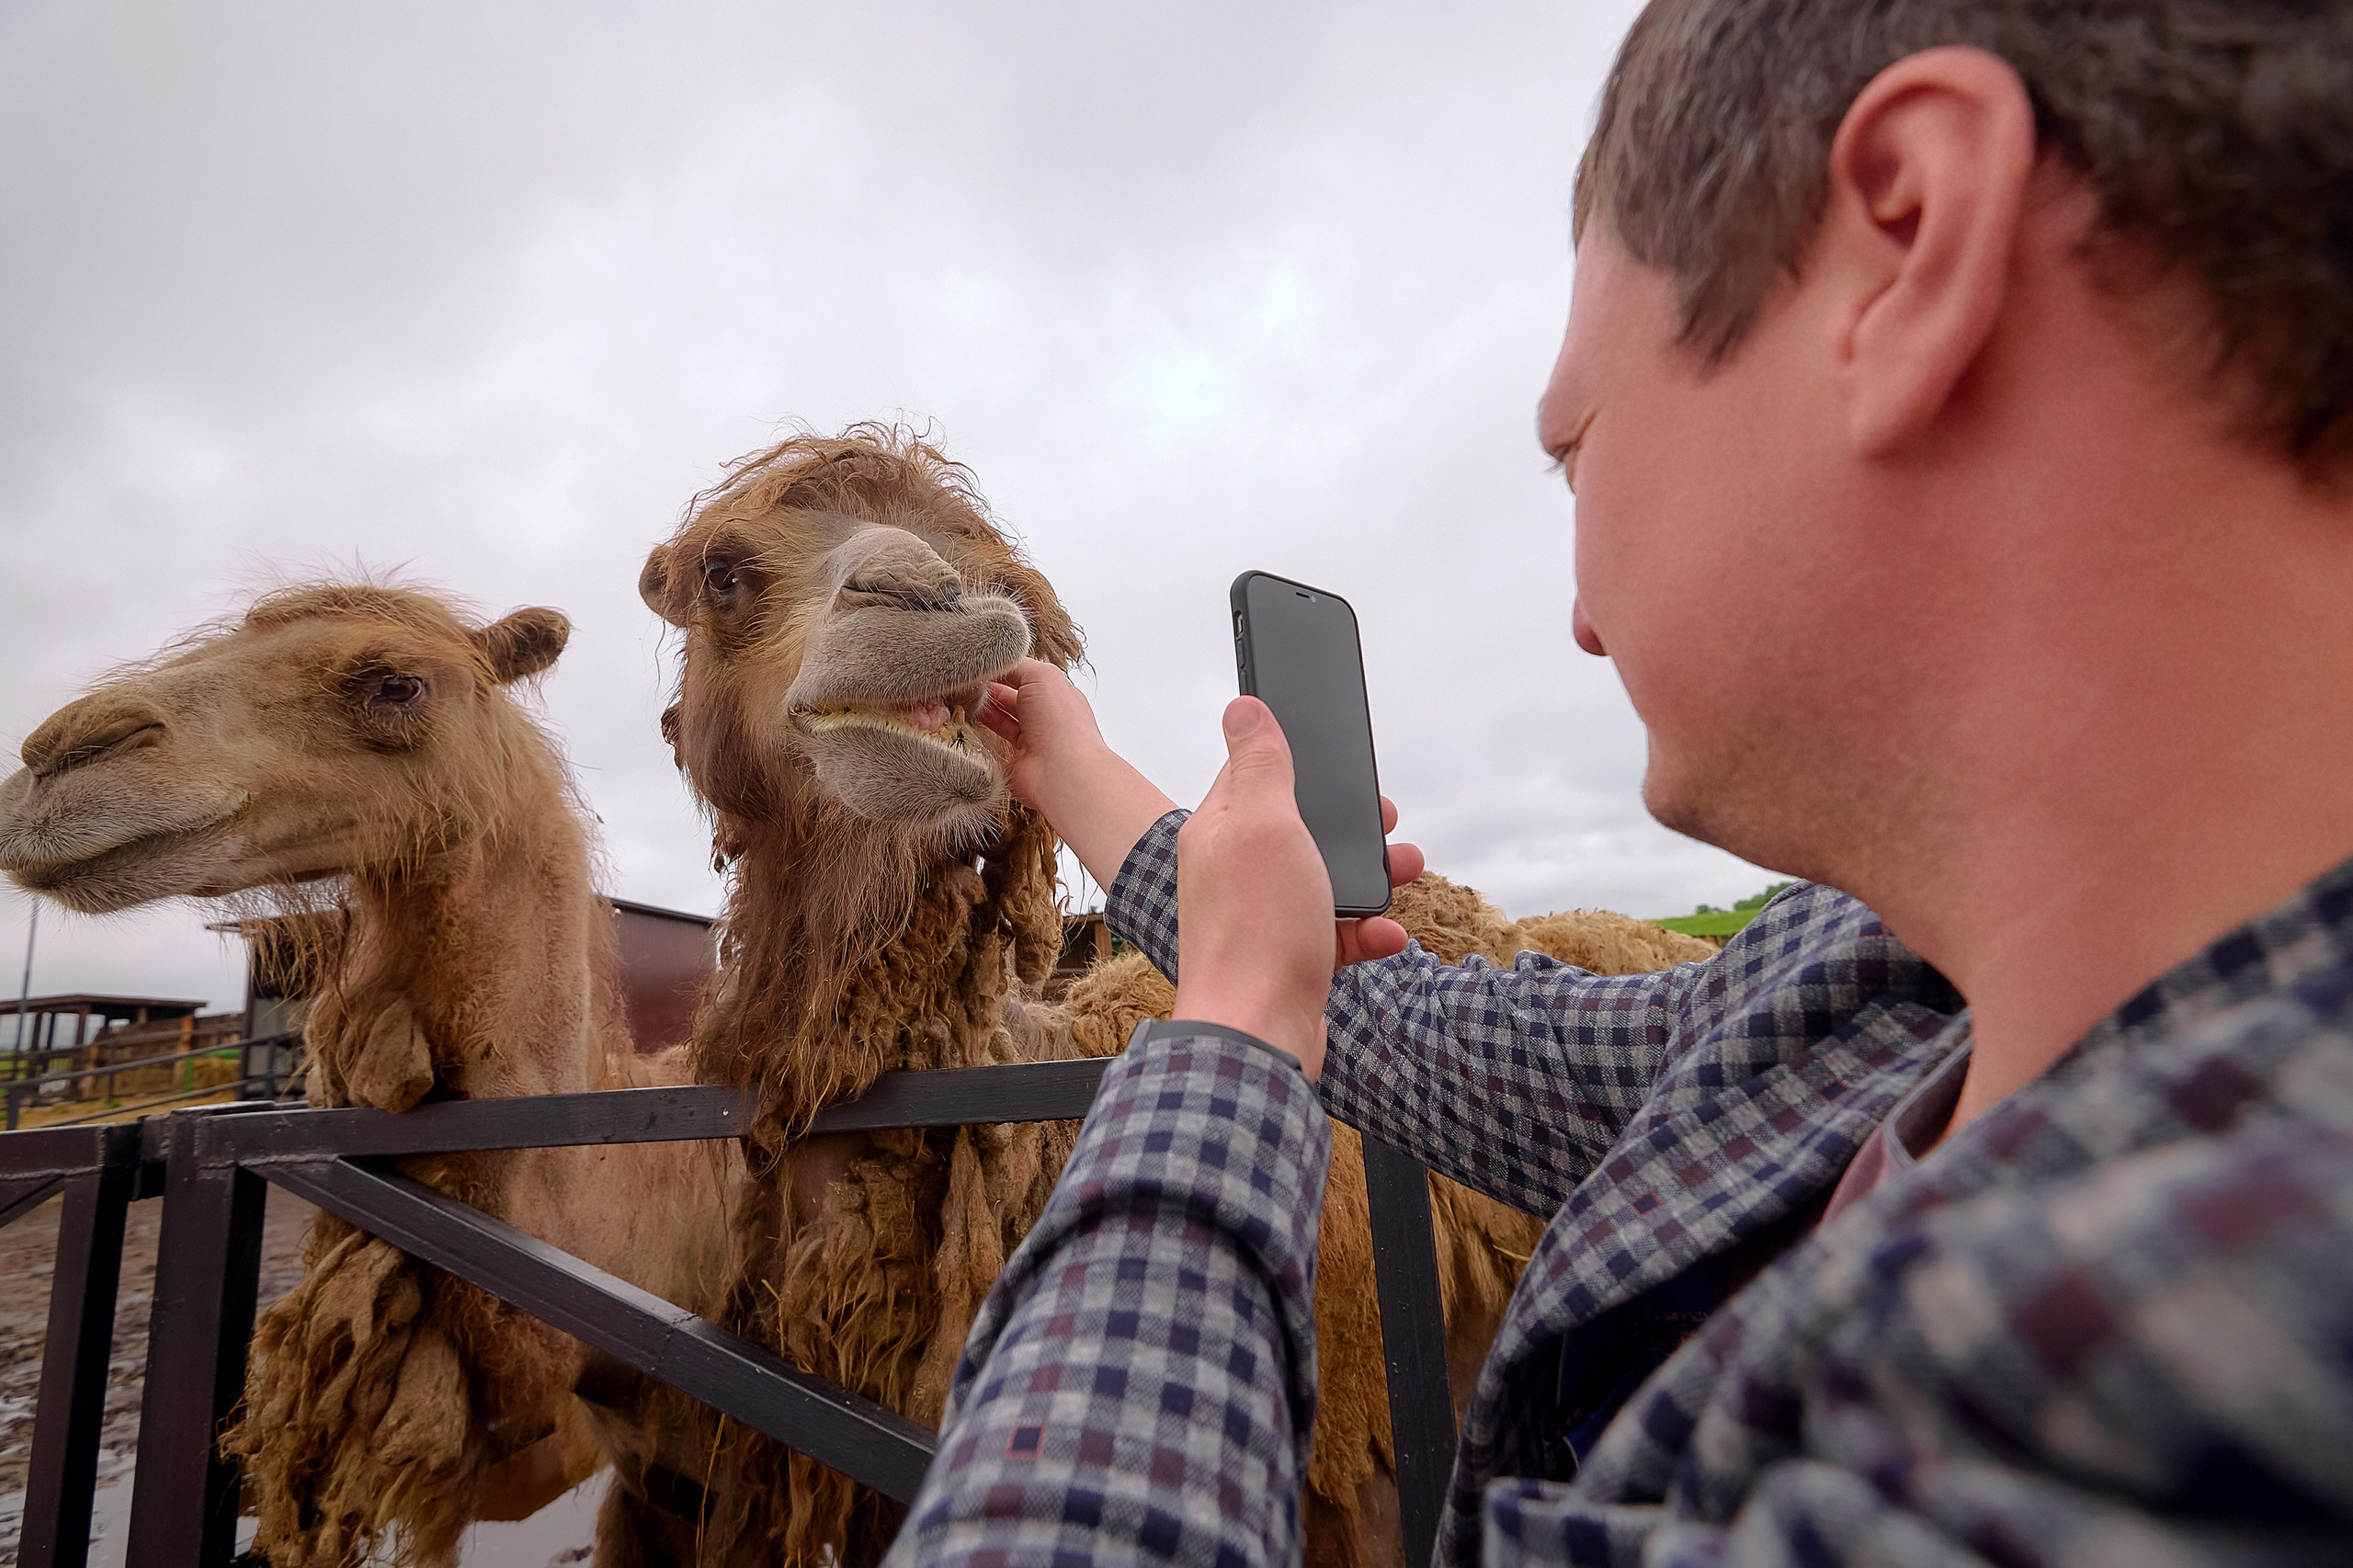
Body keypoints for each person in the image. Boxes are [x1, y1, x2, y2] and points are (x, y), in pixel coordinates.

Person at [882, 2, 2353, 1564]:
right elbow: (1453, 1044)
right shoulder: (1891, 997)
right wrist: (1087, 778)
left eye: (1574, 449)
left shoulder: (2183, 1366)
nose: (1579, 610)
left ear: (1909, 244)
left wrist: (1230, 1038)